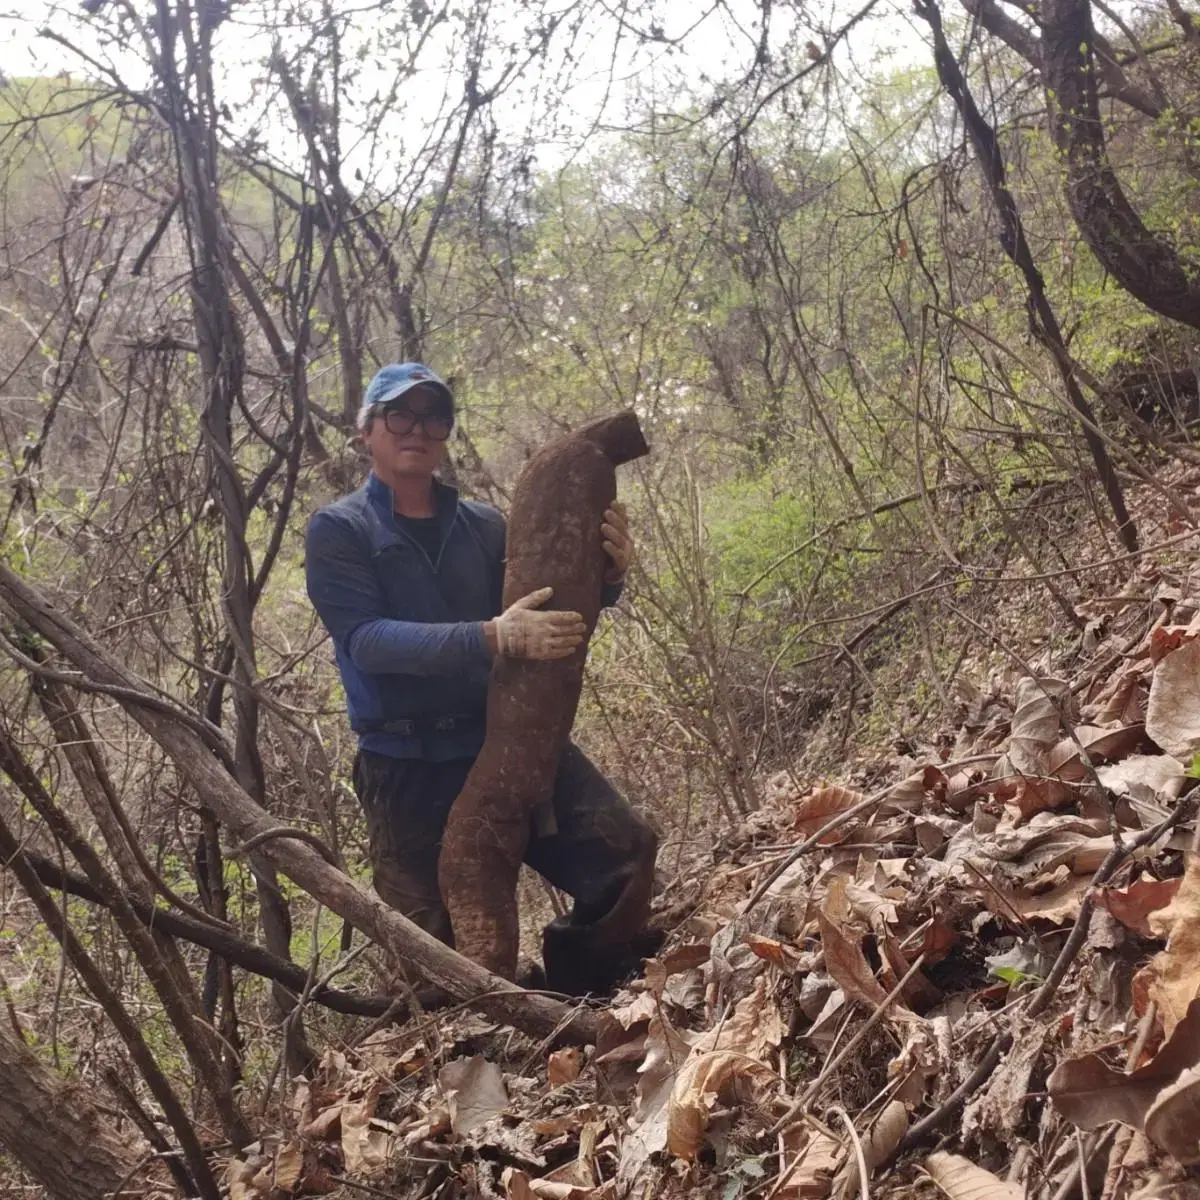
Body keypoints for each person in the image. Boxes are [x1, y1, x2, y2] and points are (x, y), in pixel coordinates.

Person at [305, 362, 659, 994]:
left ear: (446, 432)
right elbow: (366, 642)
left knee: (623, 856)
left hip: (507, 739)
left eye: (433, 416)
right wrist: (491, 635)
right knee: (436, 960)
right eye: (399, 414)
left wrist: (609, 574)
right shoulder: (341, 531)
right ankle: (474, 1060)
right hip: (404, 766)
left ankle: (581, 996)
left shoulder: (485, 525)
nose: (417, 429)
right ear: (367, 430)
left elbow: (554, 609)